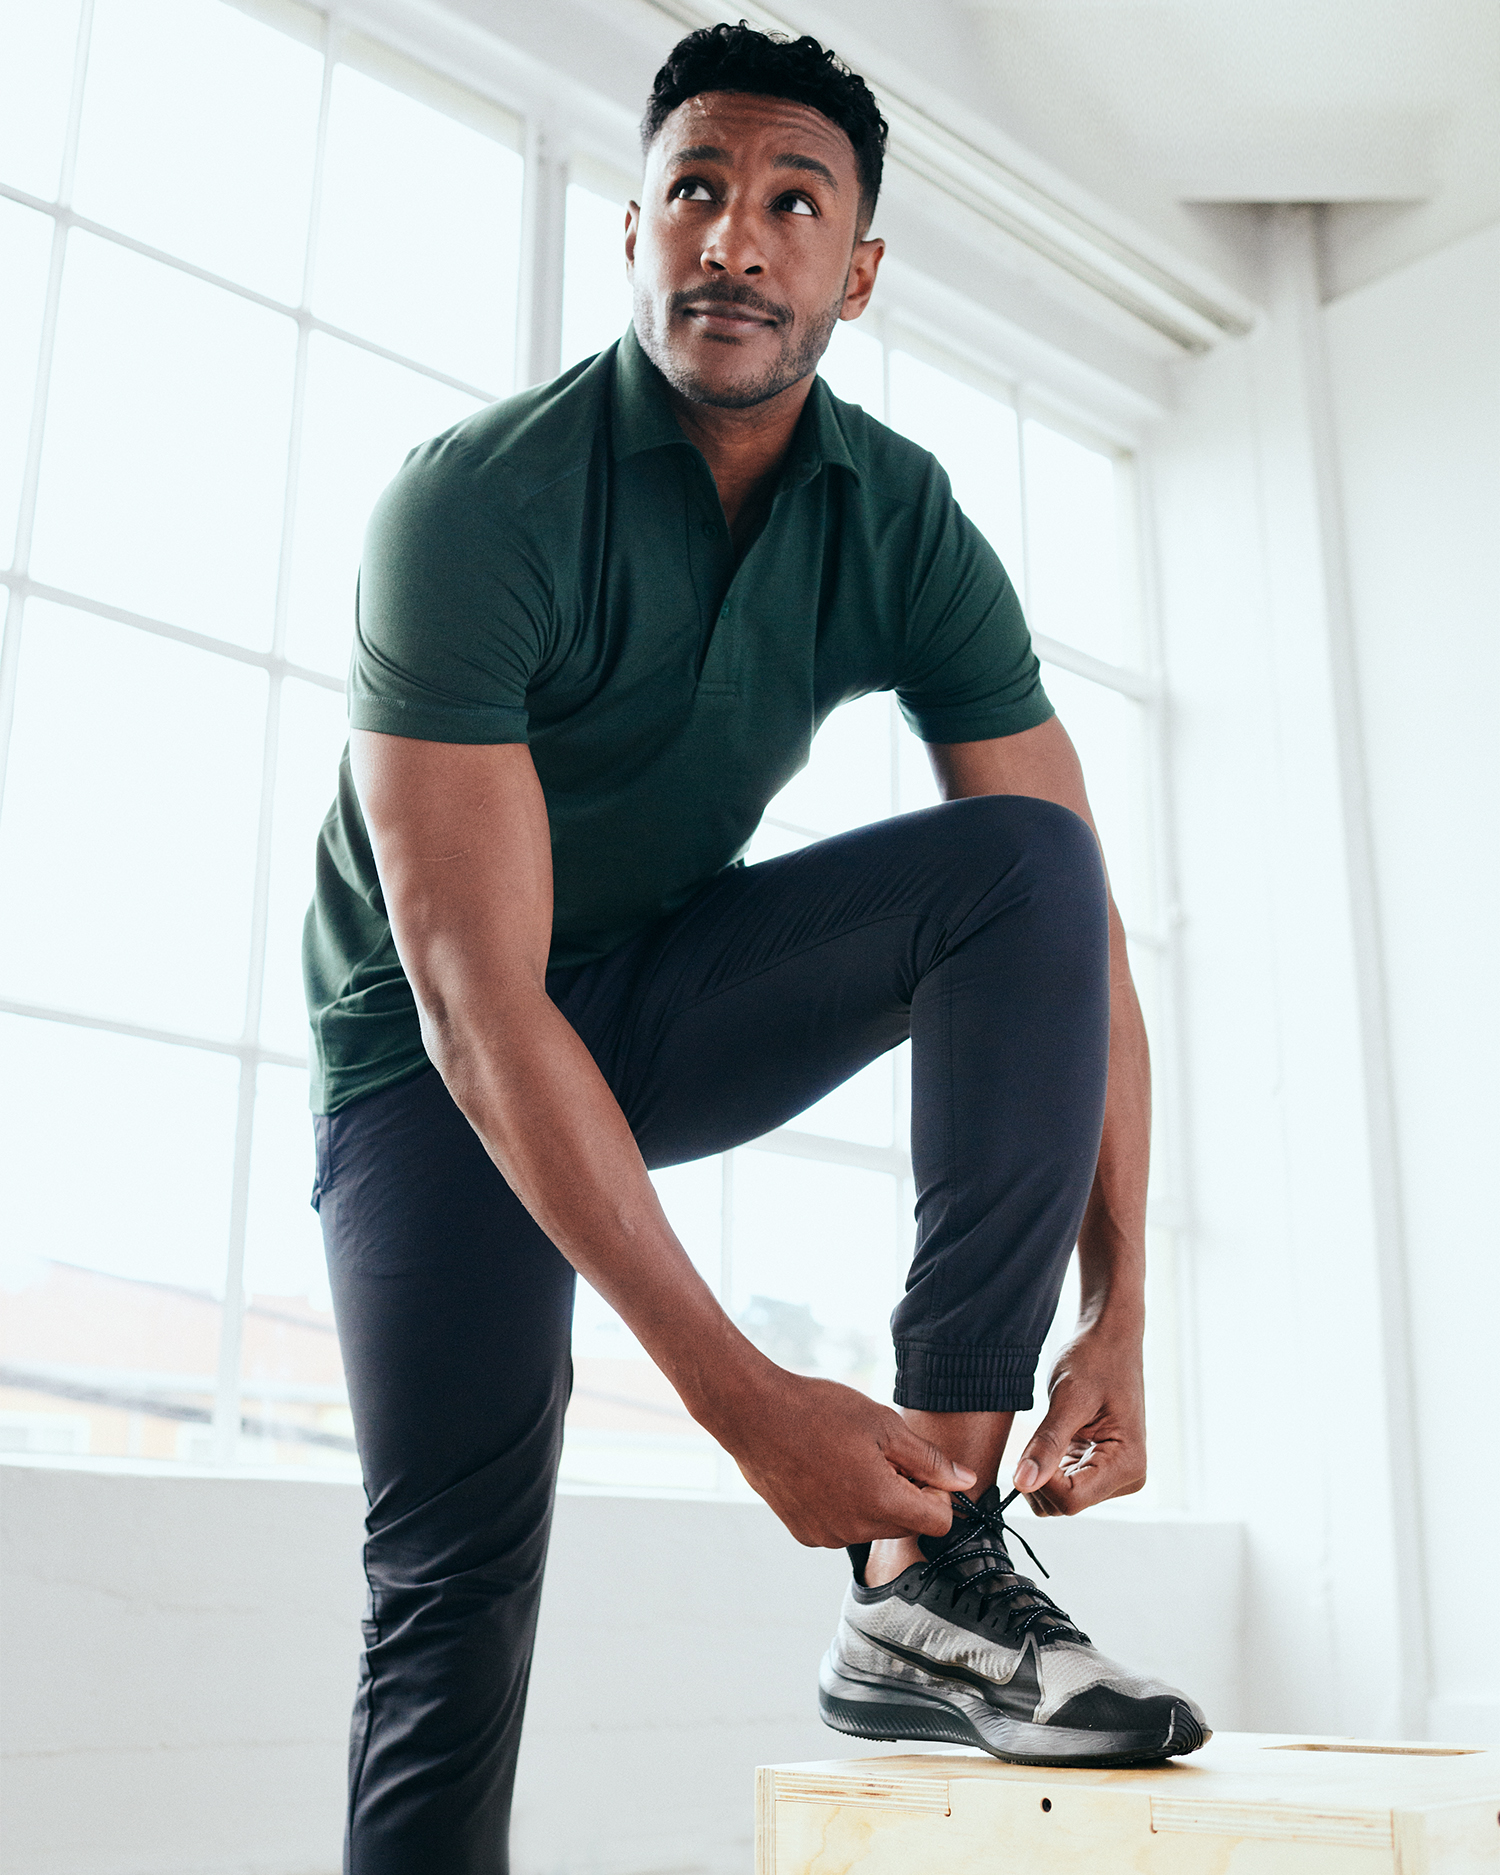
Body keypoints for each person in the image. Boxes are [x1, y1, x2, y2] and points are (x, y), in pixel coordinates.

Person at [303, 22, 1207, 1873]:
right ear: (633, 229)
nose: (736, 236)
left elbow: (1080, 928)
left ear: (854, 275)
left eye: (794, 203)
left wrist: (1122, 1298)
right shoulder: (472, 504)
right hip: (427, 1061)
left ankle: (928, 1581)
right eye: (697, 190)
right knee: (455, 1590)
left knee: (1031, 865)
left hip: (658, 992)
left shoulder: (900, 518)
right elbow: (475, 1000)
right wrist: (747, 1408)